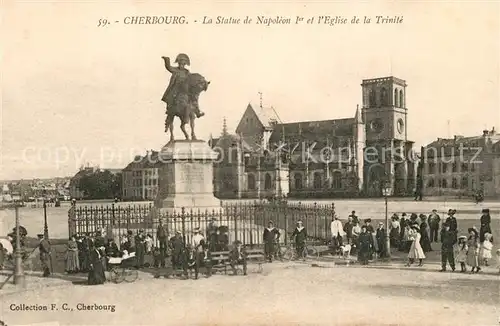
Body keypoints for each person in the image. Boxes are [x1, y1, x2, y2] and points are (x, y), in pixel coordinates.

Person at [161, 53, 204, 118]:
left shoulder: (186, 71)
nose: (182, 65)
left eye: (183, 64)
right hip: (176, 87)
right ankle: (170, 108)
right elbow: (168, 67)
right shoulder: (175, 69)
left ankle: (197, 111)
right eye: (180, 63)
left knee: (194, 97)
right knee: (172, 94)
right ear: (178, 63)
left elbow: (191, 78)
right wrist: (167, 60)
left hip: (185, 88)